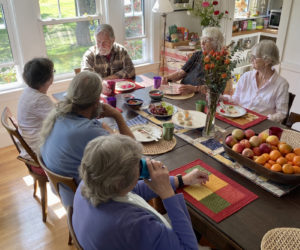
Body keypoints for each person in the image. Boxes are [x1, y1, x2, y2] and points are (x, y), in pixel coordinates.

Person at [73, 134, 209, 250]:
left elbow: (133, 190)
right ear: (121, 182)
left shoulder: (90, 181)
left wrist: (181, 180)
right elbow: (189, 248)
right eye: (137, 165)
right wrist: (167, 193)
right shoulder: (134, 224)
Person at [40, 71, 134, 206]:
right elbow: (133, 151)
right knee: (133, 176)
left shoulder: (59, 115)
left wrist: (106, 130)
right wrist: (117, 116)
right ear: (97, 101)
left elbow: (94, 128)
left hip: (64, 192)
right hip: (83, 202)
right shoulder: (88, 132)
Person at [222, 40, 289, 123]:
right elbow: (236, 99)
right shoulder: (246, 76)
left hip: (261, 127)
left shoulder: (281, 84)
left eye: (255, 57)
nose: (251, 59)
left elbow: (281, 114)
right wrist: (222, 98)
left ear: (267, 61)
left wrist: (262, 120)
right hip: (238, 120)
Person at [162, 27, 224, 95]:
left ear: (215, 44)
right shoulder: (197, 55)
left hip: (199, 98)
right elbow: (181, 73)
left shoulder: (220, 63)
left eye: (206, 40)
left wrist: (194, 89)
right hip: (183, 93)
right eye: (202, 39)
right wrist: (167, 78)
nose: (202, 43)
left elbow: (215, 89)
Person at [17, 57, 54, 157]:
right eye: (53, 71)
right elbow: (62, 121)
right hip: (39, 150)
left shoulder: (28, 92)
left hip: (31, 144)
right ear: (48, 78)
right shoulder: (39, 99)